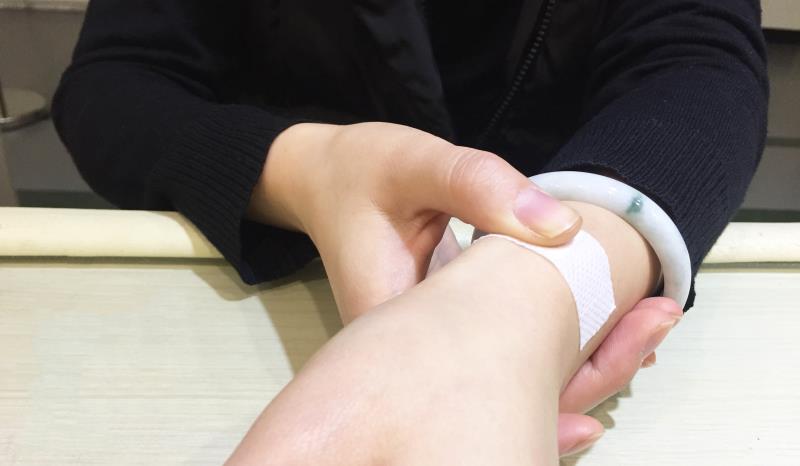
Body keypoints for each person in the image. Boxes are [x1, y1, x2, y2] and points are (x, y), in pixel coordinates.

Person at [52, 0, 767, 463]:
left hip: (555, 206)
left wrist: (525, 303)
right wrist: (304, 170)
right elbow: (116, 79)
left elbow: (699, 62)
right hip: (266, 268)